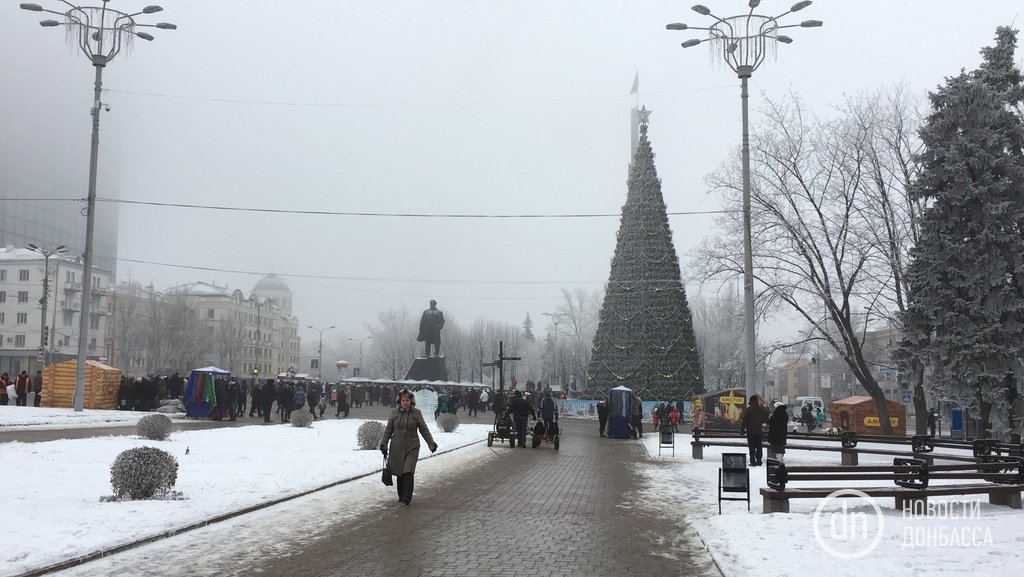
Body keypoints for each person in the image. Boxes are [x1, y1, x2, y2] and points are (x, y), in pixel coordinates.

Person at [380, 390, 438, 505]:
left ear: (411, 401)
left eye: (407, 400)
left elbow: (423, 429)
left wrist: (431, 443)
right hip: (396, 447)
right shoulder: (394, 413)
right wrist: (383, 444)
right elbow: (388, 430)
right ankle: (401, 496)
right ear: (400, 401)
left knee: (408, 470)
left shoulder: (416, 413)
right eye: (403, 400)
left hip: (412, 446)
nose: (405, 402)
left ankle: (407, 496)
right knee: (400, 472)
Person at [739, 395, 768, 466]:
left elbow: (745, 421)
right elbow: (765, 419)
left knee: (752, 447)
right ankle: (759, 460)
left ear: (751, 401)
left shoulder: (749, 410)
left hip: (750, 431)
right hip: (759, 431)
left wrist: (742, 430)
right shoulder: (761, 410)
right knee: (759, 446)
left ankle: (752, 461)